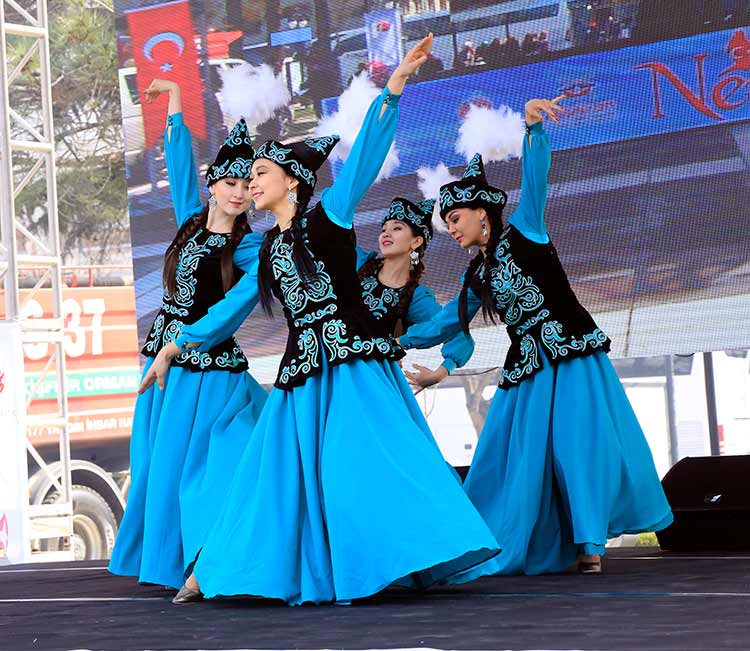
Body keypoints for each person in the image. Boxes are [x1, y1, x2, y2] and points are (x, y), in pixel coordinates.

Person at [172, 34, 499, 606]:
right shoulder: (269, 249)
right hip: (303, 374)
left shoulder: (331, 218)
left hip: (351, 368)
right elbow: (235, 305)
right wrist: (184, 339)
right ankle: (215, 568)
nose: (251, 184)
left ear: (293, 182)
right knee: (266, 474)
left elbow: (365, 156)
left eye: (261, 175)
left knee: (363, 469)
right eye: (248, 178)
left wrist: (392, 90)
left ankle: (390, 558)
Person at [400, 96, 673, 576]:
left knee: (577, 446)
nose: (451, 228)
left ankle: (590, 543)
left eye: (456, 218)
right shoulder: (476, 275)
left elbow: (536, 179)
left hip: (569, 355)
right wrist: (389, 343)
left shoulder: (525, 230)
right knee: (505, 456)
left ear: (483, 213)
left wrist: (532, 129)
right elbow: (446, 323)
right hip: (527, 366)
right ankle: (486, 540)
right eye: (445, 223)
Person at [108, 79, 268, 589]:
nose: (240, 192)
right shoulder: (189, 223)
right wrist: (175, 99)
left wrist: (183, 343)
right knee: (160, 466)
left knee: (203, 469)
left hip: (205, 370)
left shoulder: (247, 249)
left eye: (248, 186)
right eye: (231, 183)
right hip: (164, 363)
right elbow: (178, 164)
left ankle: (208, 561)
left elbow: (233, 309)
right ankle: (168, 560)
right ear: (215, 183)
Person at [355, 196, 474, 390]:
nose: (386, 233)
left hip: (371, 380)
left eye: (397, 228)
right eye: (383, 229)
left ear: (416, 241)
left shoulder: (415, 298)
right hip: (327, 366)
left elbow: (457, 332)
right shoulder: (357, 263)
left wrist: (440, 373)